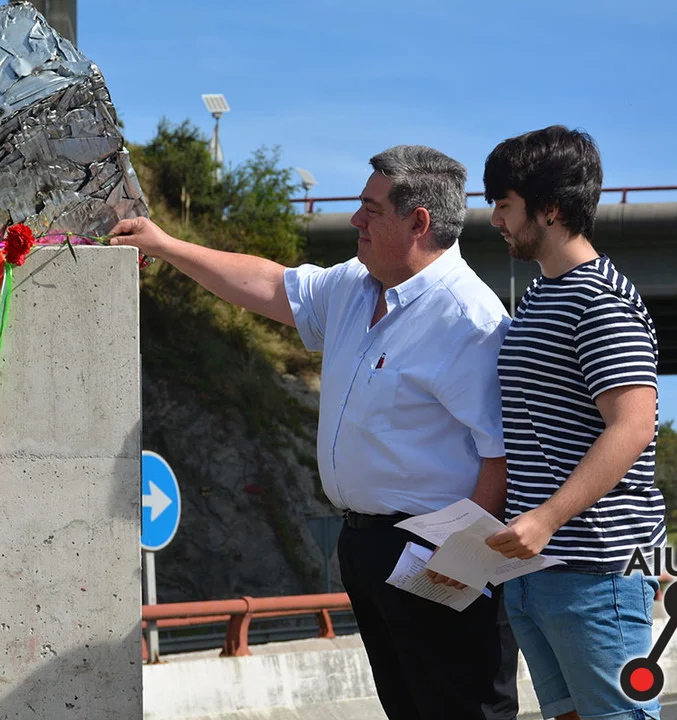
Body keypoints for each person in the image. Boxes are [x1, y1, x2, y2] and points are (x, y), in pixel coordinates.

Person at [111, 145, 518, 720]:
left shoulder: (469, 320)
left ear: (418, 222)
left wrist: (458, 568)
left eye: (370, 209)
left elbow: (504, 457)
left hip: (438, 557)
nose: (355, 220)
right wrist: (166, 245)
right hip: (367, 549)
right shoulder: (356, 284)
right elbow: (271, 285)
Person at [482, 126, 666, 720]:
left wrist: (546, 518)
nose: (495, 219)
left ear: (551, 208)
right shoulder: (539, 296)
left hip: (596, 571)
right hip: (533, 570)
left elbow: (632, 427)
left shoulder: (602, 301)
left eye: (504, 204)